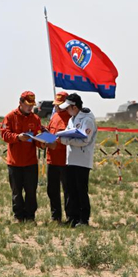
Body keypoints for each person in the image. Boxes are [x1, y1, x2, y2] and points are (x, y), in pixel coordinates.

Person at [0, 91, 42, 222]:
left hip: (31, 162)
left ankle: (30, 217)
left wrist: (43, 143)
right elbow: (4, 134)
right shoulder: (10, 117)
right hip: (14, 162)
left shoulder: (35, 119)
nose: (30, 107)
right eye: (28, 104)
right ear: (20, 103)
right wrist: (17, 137)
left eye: (32, 105)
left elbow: (38, 137)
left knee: (31, 191)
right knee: (17, 192)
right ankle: (18, 217)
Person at [59, 93, 97, 227]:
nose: (66, 111)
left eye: (68, 108)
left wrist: (66, 140)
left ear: (74, 107)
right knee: (71, 190)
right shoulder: (71, 119)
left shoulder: (88, 119)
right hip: (71, 159)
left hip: (82, 160)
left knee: (81, 190)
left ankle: (83, 219)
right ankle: (72, 218)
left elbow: (85, 140)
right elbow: (67, 134)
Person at [44, 91, 71, 222]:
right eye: (57, 105)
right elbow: (49, 132)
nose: (58, 107)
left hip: (65, 161)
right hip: (52, 159)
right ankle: (56, 217)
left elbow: (71, 138)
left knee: (68, 191)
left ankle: (70, 217)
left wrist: (57, 143)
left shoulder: (72, 119)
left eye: (61, 105)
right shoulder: (54, 117)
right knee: (52, 190)